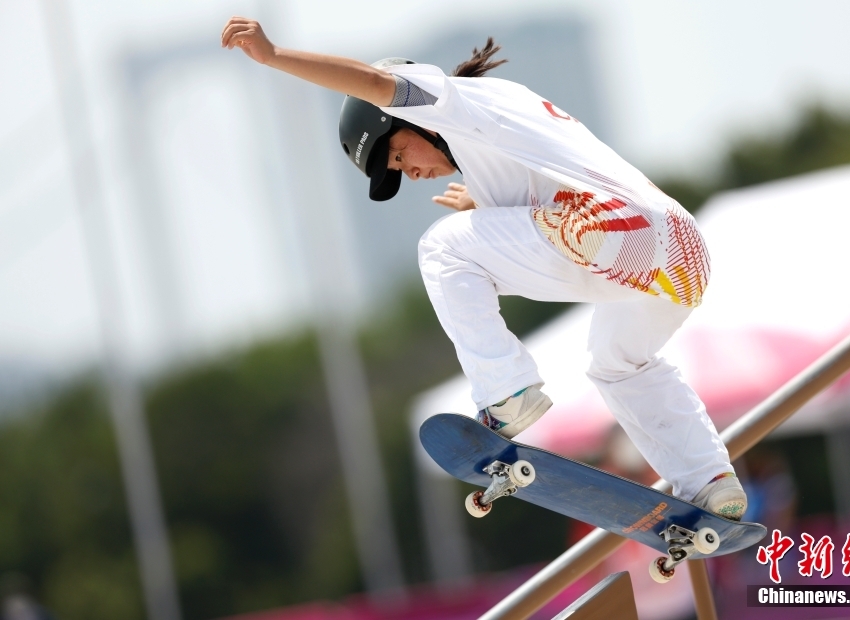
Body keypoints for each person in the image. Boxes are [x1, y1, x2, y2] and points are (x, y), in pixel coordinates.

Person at [220, 17, 747, 519]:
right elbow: (544, 178)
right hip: (678, 250)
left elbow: (375, 83)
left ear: (406, 120)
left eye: (400, 157)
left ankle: (506, 393)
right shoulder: (499, 115)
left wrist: (274, 56)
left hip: (609, 231)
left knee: (442, 249)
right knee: (618, 363)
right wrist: (489, 210)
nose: (415, 173)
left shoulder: (447, 100)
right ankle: (710, 482)